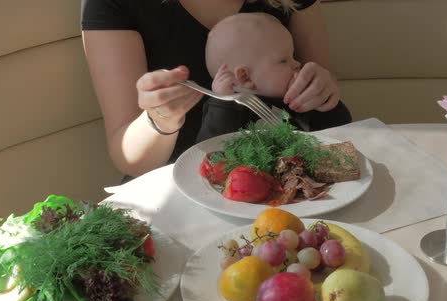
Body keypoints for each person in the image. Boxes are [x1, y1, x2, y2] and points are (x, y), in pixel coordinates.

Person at [81, 0, 343, 180]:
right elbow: (129, 159)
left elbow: (323, 86)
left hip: (291, 175)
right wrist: (159, 120)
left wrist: (322, 88)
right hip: (176, 189)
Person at [196, 12, 351, 142]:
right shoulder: (229, 111)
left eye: (293, 56)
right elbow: (209, 149)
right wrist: (223, 102)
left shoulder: (298, 99)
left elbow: (342, 124)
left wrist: (321, 99)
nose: (297, 63)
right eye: (284, 60)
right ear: (245, 77)